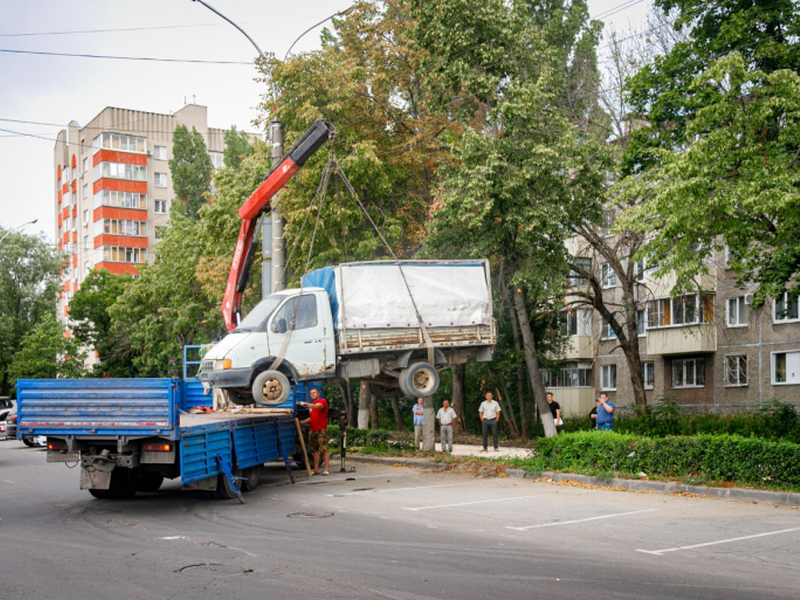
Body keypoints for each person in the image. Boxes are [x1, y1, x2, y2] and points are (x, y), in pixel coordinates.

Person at [299, 388, 330, 475]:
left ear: (318, 393)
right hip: (313, 430)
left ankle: (326, 470)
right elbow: (311, 417)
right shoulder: (311, 405)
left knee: (324, 449)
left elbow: (318, 407)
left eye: (314, 393)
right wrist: (301, 422)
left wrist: (305, 404)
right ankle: (316, 469)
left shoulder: (322, 401)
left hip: (321, 429)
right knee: (314, 450)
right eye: (311, 393)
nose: (312, 394)